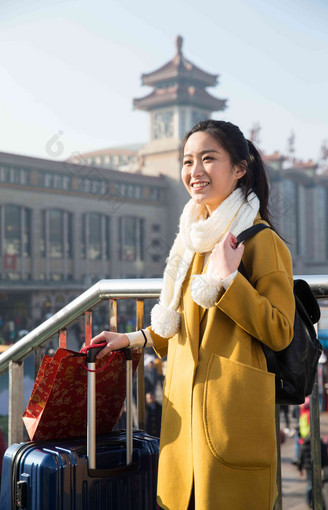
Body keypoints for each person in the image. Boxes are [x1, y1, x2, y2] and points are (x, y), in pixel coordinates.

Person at [91, 120, 295, 510]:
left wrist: (229, 280)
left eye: (208, 159)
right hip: (182, 419)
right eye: (187, 161)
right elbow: (179, 326)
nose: (194, 171)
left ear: (239, 169)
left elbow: (280, 330)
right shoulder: (191, 240)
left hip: (228, 417)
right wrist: (132, 340)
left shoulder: (259, 240)